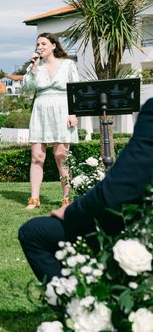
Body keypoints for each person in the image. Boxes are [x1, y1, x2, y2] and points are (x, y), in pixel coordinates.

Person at [18, 97, 153, 281]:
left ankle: (80, 306)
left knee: (34, 233)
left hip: (142, 226)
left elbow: (119, 189)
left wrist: (72, 211)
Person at [21, 33, 79, 210]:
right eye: (38, 44)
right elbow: (27, 89)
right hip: (40, 110)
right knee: (37, 156)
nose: (40, 46)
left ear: (54, 45)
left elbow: (75, 89)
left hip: (62, 109)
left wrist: (73, 113)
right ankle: (34, 199)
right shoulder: (34, 67)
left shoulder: (68, 64)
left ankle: (66, 199)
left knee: (61, 155)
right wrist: (33, 68)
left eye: (44, 43)